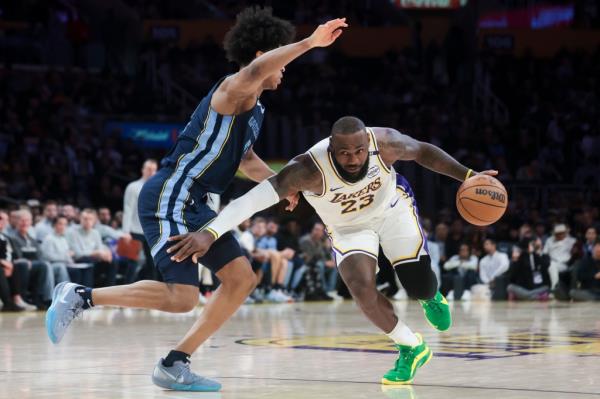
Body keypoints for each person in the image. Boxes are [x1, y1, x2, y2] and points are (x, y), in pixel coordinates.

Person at [46, 8, 347, 392]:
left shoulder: (256, 111)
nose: (285, 68)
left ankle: (175, 362)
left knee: (241, 279)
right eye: (280, 56)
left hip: (198, 204)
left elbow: (247, 160)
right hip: (172, 192)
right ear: (261, 55)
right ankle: (81, 296)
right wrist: (308, 42)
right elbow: (255, 72)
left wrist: (278, 185)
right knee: (182, 298)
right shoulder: (232, 89)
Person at [170, 116, 497, 385]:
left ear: (368, 144)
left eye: (358, 151)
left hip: (392, 209)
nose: (353, 158)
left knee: (418, 283)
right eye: (344, 153)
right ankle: (411, 347)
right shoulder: (307, 170)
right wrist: (209, 233)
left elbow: (424, 152)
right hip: (348, 228)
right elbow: (251, 201)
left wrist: (469, 176)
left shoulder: (386, 143)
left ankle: (430, 296)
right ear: (331, 148)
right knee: (360, 287)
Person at [122, 159, 158, 280]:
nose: (151, 172)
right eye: (148, 169)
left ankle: (151, 292)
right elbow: (128, 209)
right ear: (142, 170)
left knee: (153, 263)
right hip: (134, 231)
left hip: (151, 231)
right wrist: (125, 231)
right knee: (132, 264)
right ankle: (126, 291)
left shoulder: (158, 187)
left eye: (153, 170)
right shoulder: (133, 187)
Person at [543, 224, 576, 288]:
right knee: (551, 265)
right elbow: (544, 253)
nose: (560, 235)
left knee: (552, 265)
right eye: (558, 233)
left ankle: (555, 288)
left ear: (565, 233)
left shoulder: (572, 241)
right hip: (550, 262)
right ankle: (555, 288)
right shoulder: (549, 240)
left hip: (564, 264)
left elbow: (576, 253)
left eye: (562, 233)